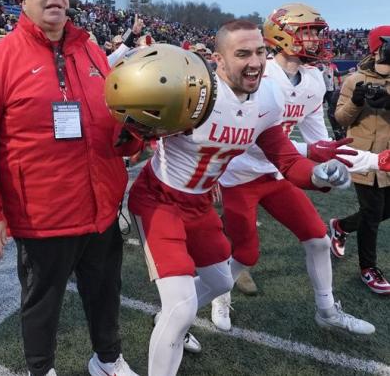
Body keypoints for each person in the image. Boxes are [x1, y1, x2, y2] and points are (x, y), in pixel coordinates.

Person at [122, 21, 368, 376]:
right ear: (218, 60)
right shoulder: (195, 92)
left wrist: (318, 174)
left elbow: (284, 159)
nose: (255, 62)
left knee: (221, 282)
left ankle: (169, 320)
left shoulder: (267, 98)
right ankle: (172, 324)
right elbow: (133, 139)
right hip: (159, 198)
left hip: (201, 201)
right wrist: (134, 134)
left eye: (259, 52)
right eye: (242, 54)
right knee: (182, 308)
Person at [0, 0, 140, 376]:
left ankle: (107, 359)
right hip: (42, 212)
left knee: (106, 291)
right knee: (42, 303)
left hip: (101, 206)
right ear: (23, 0)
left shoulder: (92, 51)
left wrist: (136, 134)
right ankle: (41, 370)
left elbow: (112, 119)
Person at [210, 4, 381, 333]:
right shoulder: (257, 73)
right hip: (239, 174)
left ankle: (327, 309)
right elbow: (240, 134)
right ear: (281, 32)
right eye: (309, 31)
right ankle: (221, 296)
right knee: (244, 253)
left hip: (277, 173)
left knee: (318, 239)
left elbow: (323, 144)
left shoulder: (314, 80)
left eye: (318, 32)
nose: (316, 39)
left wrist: (374, 160)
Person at [331, 25, 390, 295]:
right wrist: (356, 101)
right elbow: (341, 118)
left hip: (389, 157)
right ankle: (368, 267)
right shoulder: (355, 79)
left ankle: (340, 226)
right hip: (365, 158)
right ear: (377, 47)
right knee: (372, 211)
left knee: (380, 212)